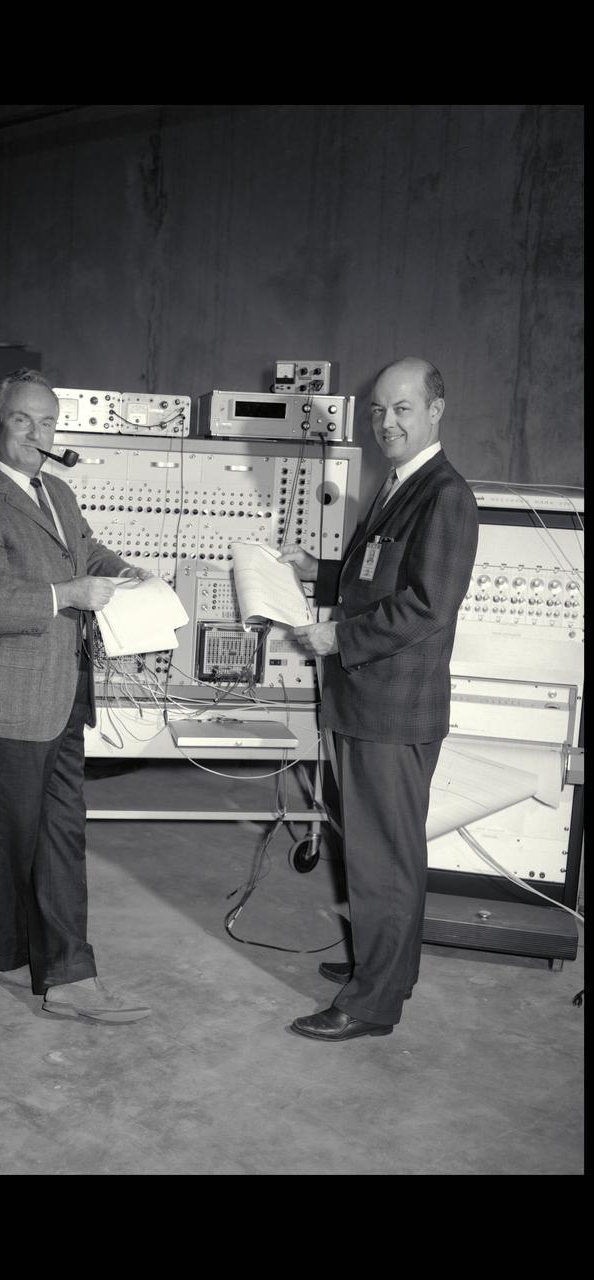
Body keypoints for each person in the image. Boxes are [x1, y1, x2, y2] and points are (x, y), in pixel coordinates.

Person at [280, 356, 479, 1042]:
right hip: (370, 703)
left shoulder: (444, 494)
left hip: (392, 710)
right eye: (376, 410)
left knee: (382, 858)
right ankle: (384, 969)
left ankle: (371, 1004)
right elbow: (382, 574)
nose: (385, 421)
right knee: (375, 851)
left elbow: (426, 605)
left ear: (434, 410)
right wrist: (321, 572)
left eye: (400, 408)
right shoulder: (401, 485)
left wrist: (337, 638)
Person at [0, 368, 152, 1023]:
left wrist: (124, 571)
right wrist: (65, 596)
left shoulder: (56, 492)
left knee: (50, 835)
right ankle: (58, 978)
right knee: (11, 838)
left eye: (48, 421)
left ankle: (16, 958)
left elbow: (85, 551)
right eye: (23, 420)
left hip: (61, 693)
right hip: (7, 700)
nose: (38, 433)